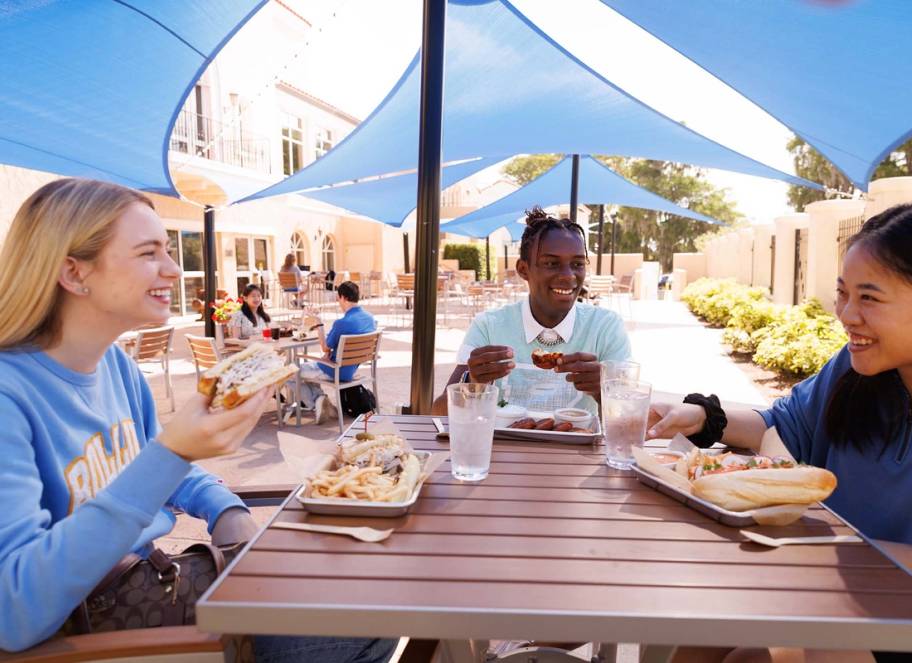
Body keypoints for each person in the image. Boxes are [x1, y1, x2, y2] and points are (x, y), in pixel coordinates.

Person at [0, 179, 394, 663]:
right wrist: (172, 452)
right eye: (149, 253)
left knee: (371, 581)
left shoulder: (116, 367)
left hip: (156, 577)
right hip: (87, 624)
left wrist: (226, 510)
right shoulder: (9, 394)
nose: (172, 269)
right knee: (367, 615)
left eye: (168, 250)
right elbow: (13, 612)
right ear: (74, 272)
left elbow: (156, 466)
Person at [648, 199, 912, 663]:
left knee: (753, 658)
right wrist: (705, 417)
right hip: (838, 597)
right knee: (691, 626)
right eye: (843, 294)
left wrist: (857, 554)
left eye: (869, 297)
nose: (847, 315)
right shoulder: (854, 374)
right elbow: (780, 424)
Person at [432, 207, 631, 416]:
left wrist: (603, 391)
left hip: (575, 449)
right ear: (523, 269)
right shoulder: (489, 326)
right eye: (552, 263)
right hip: (502, 449)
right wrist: (473, 384)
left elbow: (629, 417)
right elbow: (437, 413)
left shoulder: (605, 327)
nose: (568, 275)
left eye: (577, 264)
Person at [296, 281, 377, 423]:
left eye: (338, 298)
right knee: (310, 369)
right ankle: (320, 398)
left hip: (335, 370)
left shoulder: (342, 323)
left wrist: (319, 322)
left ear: (343, 297)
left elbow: (325, 347)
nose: (339, 302)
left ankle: (316, 402)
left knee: (292, 372)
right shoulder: (370, 318)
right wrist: (329, 354)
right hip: (351, 368)